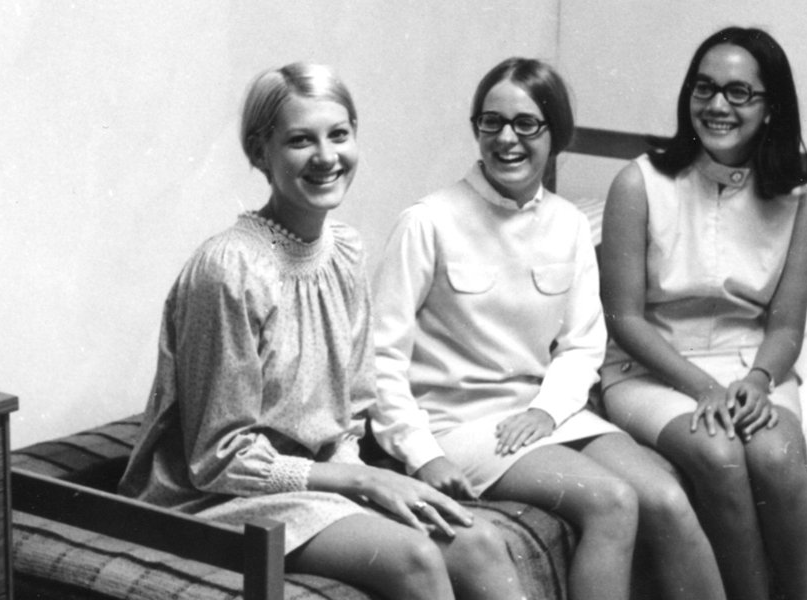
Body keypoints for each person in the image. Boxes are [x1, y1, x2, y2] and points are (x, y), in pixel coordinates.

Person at [117, 62, 527, 600]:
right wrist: (361, 482)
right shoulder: (229, 270)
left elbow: (350, 413)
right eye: (299, 140)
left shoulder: (346, 251)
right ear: (260, 152)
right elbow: (218, 458)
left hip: (313, 479)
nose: (327, 157)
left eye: (339, 134)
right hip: (218, 498)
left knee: (480, 543)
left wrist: (356, 478)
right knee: (415, 559)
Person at [371, 57, 724, 600]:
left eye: (526, 124)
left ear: (555, 134)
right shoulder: (429, 221)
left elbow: (584, 344)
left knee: (667, 499)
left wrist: (546, 409)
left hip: (543, 413)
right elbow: (380, 361)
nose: (507, 139)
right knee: (612, 500)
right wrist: (423, 454)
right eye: (492, 123)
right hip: (461, 425)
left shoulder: (568, 224)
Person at [598, 27, 807, 600]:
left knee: (776, 455)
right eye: (704, 88)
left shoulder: (797, 202)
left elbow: (787, 326)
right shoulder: (638, 182)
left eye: (739, 92)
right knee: (719, 454)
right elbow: (624, 318)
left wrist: (758, 380)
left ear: (771, 108)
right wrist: (702, 387)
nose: (717, 105)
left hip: (750, 366)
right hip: (651, 369)